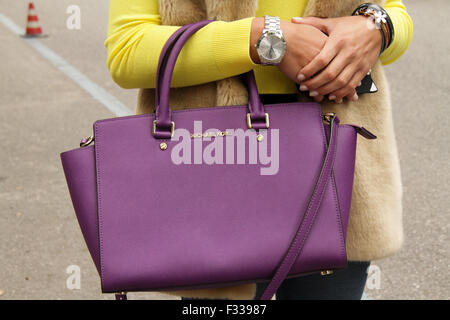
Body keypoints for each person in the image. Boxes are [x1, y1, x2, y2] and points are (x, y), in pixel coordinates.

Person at [105, 0, 413, 300]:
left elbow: (397, 15)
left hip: (337, 162)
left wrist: (375, 28)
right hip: (215, 156)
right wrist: (263, 38)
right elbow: (128, 50)